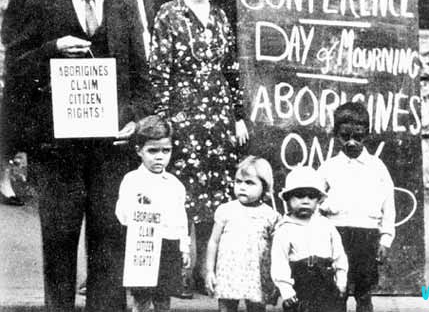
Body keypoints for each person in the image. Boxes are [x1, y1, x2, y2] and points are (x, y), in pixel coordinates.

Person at [5, 0, 152, 311]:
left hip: (110, 152)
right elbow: (16, 72)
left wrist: (135, 120)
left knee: (109, 243)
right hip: (57, 154)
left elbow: (141, 80)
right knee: (59, 243)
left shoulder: (122, 9)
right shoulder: (41, 6)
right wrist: (52, 48)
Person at [149, 0, 249, 293]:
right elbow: (159, 71)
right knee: (181, 195)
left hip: (218, 116)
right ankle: (176, 275)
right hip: (183, 116)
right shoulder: (169, 14)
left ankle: (204, 273)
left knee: (213, 195)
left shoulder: (221, 17)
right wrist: (163, 120)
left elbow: (231, 70)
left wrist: (238, 116)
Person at [1, 0, 67, 206]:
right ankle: (5, 183)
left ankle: (36, 182)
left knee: (39, 130)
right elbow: (11, 39)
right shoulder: (21, 2)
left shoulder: (51, 1)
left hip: (45, 74)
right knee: (12, 132)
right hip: (22, 75)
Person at [317, 102, 395, 312]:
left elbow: (389, 205)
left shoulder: (377, 168)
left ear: (367, 135)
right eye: (345, 136)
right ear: (336, 134)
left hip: (367, 237)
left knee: (364, 291)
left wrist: (386, 239)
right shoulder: (329, 167)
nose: (351, 142)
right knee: (337, 290)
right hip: (336, 234)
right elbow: (314, 200)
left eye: (358, 136)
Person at [115, 115, 190, 311]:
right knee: (141, 298)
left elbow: (181, 219)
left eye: (166, 151)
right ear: (139, 150)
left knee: (163, 298)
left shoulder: (175, 185)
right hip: (142, 246)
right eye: (153, 151)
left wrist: (184, 246)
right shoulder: (132, 180)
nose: (159, 156)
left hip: (168, 247)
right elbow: (122, 214)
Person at [204, 156, 279, 312]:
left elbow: (276, 250)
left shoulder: (270, 215)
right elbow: (213, 242)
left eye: (249, 183)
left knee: (257, 308)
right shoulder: (226, 210)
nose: (242, 187)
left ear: (264, 187)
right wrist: (210, 271)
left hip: (257, 275)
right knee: (226, 308)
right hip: (229, 273)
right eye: (238, 182)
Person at [272, 166, 348, 312]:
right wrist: (287, 291)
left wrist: (341, 279)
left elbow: (339, 255)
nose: (305, 201)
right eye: (299, 195)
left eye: (311, 196)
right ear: (288, 198)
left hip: (326, 283)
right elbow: (279, 262)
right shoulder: (284, 229)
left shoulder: (326, 225)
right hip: (299, 285)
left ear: (318, 199)